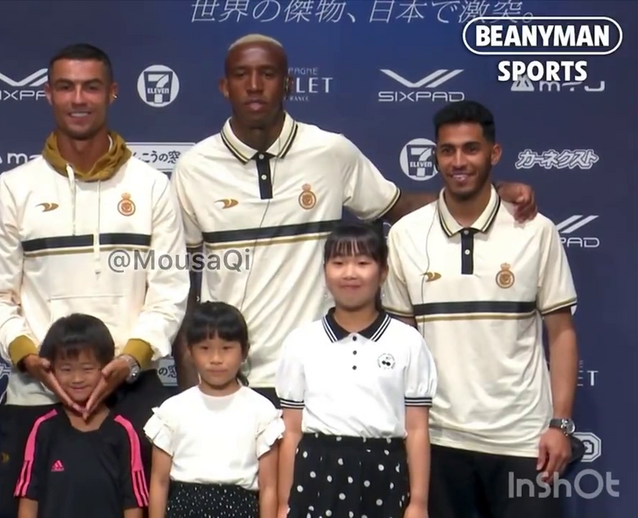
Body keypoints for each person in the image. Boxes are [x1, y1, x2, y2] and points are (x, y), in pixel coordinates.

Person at [168, 33, 537, 405]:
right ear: (224, 86)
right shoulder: (193, 169)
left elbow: (399, 206)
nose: (253, 85)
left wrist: (487, 192)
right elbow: (184, 289)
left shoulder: (330, 152)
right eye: (241, 75)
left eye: (267, 74)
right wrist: (189, 395)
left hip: (321, 373)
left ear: (288, 84)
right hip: (230, 378)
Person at [0, 43, 189, 518]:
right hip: (37, 393)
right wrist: (33, 359)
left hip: (132, 392)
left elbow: (171, 292)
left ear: (112, 93)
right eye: (66, 86)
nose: (79, 98)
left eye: (91, 86)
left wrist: (127, 360)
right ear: (48, 94)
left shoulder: (151, 186)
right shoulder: (14, 187)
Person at [382, 100, 579, 518]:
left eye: (471, 149)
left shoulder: (536, 231)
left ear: (494, 153)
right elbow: (400, 345)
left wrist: (560, 424)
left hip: (523, 441)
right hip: (437, 441)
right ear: (434, 155)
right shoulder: (405, 236)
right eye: (447, 150)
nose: (458, 161)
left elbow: (561, 333)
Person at [275, 221, 437, 518]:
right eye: (338, 263)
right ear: (325, 271)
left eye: (362, 263)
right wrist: (284, 505)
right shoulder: (301, 342)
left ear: (382, 271)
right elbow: (292, 432)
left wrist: (418, 503)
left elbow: (416, 429)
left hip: (384, 475)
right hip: (317, 475)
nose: (350, 273)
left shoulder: (407, 342)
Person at [145, 301, 283, 518]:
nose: (216, 359)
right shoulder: (172, 410)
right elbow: (159, 483)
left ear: (244, 351)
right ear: (190, 352)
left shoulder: (261, 410)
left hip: (241, 508)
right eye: (205, 349)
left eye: (226, 349)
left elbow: (269, 488)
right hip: (184, 507)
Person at [14, 313, 148, 518]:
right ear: (51, 370)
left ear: (106, 368)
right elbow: (29, 497)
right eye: (66, 369)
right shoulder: (44, 428)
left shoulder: (123, 431)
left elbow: (133, 502)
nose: (77, 379)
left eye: (87, 369)